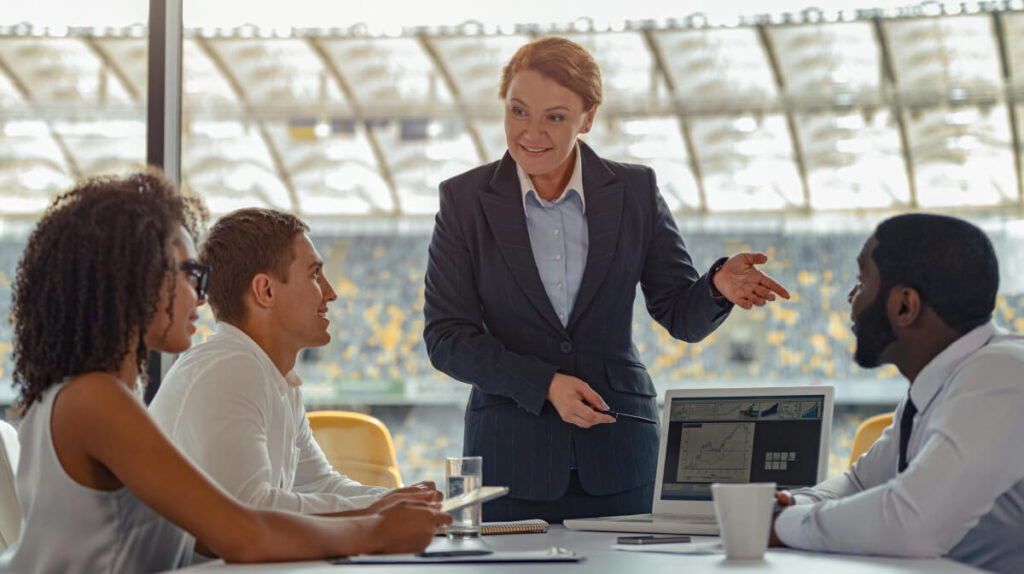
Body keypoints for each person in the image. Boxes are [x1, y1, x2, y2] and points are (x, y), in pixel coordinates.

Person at [0, 172, 448, 574]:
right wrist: (378, 530)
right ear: (137, 278)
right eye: (191, 273)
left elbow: (222, 526)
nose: (202, 297)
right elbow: (241, 532)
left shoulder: (97, 394)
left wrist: (384, 511)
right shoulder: (94, 400)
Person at [422, 37, 790, 522]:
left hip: (621, 455)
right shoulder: (463, 200)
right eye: (518, 111)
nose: (531, 132)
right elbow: (447, 337)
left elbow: (680, 314)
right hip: (510, 460)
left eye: (555, 116)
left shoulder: (635, 191)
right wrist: (544, 384)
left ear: (588, 118)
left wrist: (716, 286)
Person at [150, 208, 440, 525]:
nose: (331, 293)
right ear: (266, 291)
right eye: (315, 274)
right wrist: (379, 511)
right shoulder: (232, 368)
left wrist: (398, 500)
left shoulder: (272, 375)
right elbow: (251, 509)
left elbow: (319, 484)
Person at [771, 214, 1024, 574]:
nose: (851, 297)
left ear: (906, 305)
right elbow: (859, 482)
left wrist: (783, 525)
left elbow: (911, 522)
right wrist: (790, 502)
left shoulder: (1002, 372)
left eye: (862, 282)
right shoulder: (939, 382)